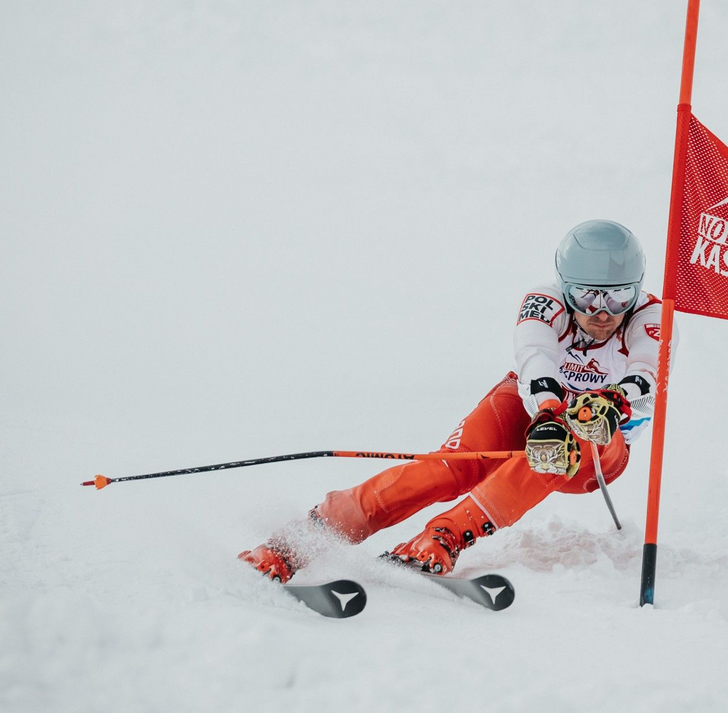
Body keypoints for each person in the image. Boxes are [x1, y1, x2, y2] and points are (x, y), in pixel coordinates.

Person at [239, 219, 678, 580]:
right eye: (587, 295)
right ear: (565, 287)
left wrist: (612, 401)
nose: (602, 312)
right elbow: (535, 360)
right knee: (450, 468)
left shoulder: (654, 316)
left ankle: (445, 536)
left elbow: (646, 374)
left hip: (599, 448)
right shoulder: (544, 303)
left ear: (636, 290)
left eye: (618, 296)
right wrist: (547, 410)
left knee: (569, 437)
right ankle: (302, 539)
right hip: (533, 406)